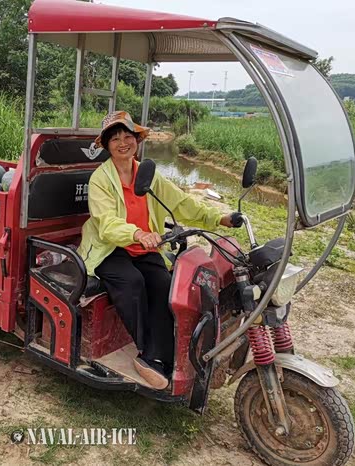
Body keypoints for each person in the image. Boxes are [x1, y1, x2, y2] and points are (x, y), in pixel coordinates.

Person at [78, 111, 244, 390]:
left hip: (144, 247)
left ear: (137, 140)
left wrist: (220, 218)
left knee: (165, 284)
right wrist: (138, 233)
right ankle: (148, 354)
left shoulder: (148, 175)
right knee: (132, 282)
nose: (122, 143)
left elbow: (181, 203)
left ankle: (168, 353)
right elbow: (106, 224)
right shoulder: (100, 179)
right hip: (108, 249)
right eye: (115, 139)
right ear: (106, 145)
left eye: (128, 136)